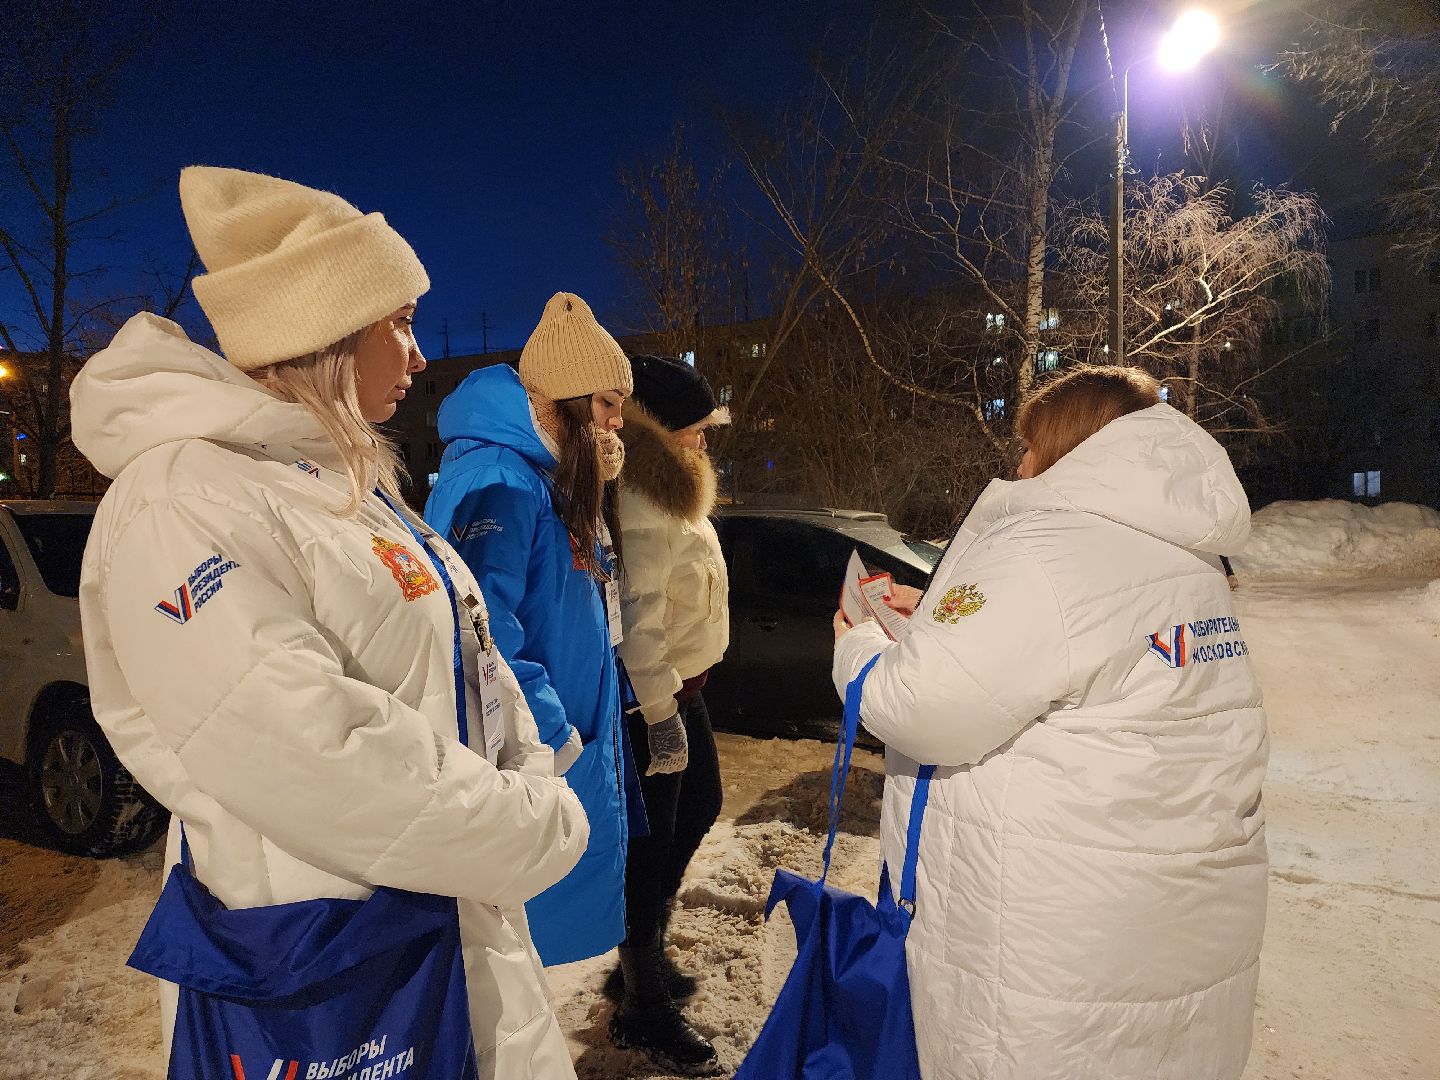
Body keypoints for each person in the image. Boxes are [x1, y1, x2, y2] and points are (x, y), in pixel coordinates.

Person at [72, 167, 588, 1078]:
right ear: (327, 331)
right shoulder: (184, 500)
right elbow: (307, 748)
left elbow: (465, 654)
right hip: (330, 977)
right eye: (403, 322)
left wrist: (530, 768)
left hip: (441, 917)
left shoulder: (336, 482)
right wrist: (529, 825)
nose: (419, 357)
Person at [833, 365, 1268, 1080]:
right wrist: (937, 617)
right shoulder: (1184, 554)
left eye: (1030, 446)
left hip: (1054, 937)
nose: (1020, 465)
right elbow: (1061, 655)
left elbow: (922, 704)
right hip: (1169, 917)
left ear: (1068, 446)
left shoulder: (1046, 547)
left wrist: (856, 644)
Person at [425, 293, 632, 967]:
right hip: (541, 761)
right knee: (515, 960)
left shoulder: (543, 479)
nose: (618, 421)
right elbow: (481, 629)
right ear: (566, 402)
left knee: (538, 959)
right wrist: (554, 737)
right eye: (607, 403)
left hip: (566, 751)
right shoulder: (504, 483)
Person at [606, 354, 731, 1076]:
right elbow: (636, 625)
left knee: (701, 805)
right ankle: (643, 1006)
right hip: (655, 700)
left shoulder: (673, 485)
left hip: (686, 689)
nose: (704, 438)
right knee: (648, 851)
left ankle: (639, 953)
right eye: (694, 426)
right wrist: (658, 715)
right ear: (657, 426)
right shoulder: (642, 500)